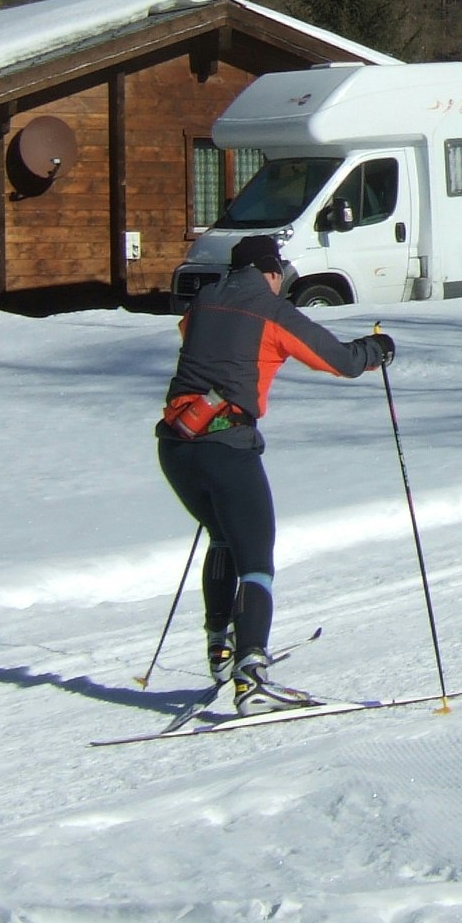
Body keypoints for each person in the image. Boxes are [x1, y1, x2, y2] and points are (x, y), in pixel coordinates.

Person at [157, 234, 395, 711]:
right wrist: (377, 349)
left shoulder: (202, 302)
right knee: (256, 560)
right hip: (227, 446)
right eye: (280, 274)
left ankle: (221, 647)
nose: (281, 282)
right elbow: (341, 361)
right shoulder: (270, 309)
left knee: (222, 537)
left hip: (177, 445)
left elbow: (199, 341)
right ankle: (252, 676)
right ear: (270, 271)